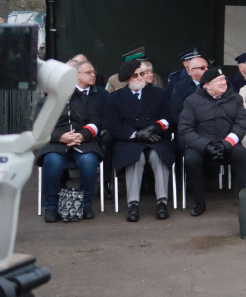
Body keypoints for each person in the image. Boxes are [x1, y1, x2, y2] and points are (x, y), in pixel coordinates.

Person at [104, 59, 174, 221]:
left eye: (141, 74)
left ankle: (162, 201)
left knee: (159, 156)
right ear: (127, 78)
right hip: (129, 140)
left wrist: (154, 128)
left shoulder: (159, 93)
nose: (140, 78)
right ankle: (133, 203)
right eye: (135, 75)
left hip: (154, 137)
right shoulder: (115, 98)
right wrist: (135, 135)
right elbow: (112, 125)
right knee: (136, 158)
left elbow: (168, 117)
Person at [36, 59, 105, 222]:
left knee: (89, 161)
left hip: (84, 142)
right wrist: (60, 137)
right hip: (55, 144)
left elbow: (95, 122)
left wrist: (82, 135)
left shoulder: (84, 99)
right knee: (52, 161)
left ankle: (85, 204)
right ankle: (51, 206)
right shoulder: (45, 102)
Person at [177, 66, 246, 216]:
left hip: (227, 143)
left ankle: (244, 201)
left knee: (242, 154)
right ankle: (199, 202)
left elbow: (241, 124)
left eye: (224, 79)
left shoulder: (235, 98)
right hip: (201, 145)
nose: (224, 83)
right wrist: (205, 146)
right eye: (219, 81)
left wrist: (227, 143)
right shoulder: (192, 101)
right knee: (190, 159)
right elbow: (185, 129)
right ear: (207, 85)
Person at [170, 54, 209, 124]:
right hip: (189, 127)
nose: (207, 70)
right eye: (202, 68)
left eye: (207, 67)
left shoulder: (213, 84)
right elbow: (176, 112)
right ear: (192, 71)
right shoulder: (180, 86)